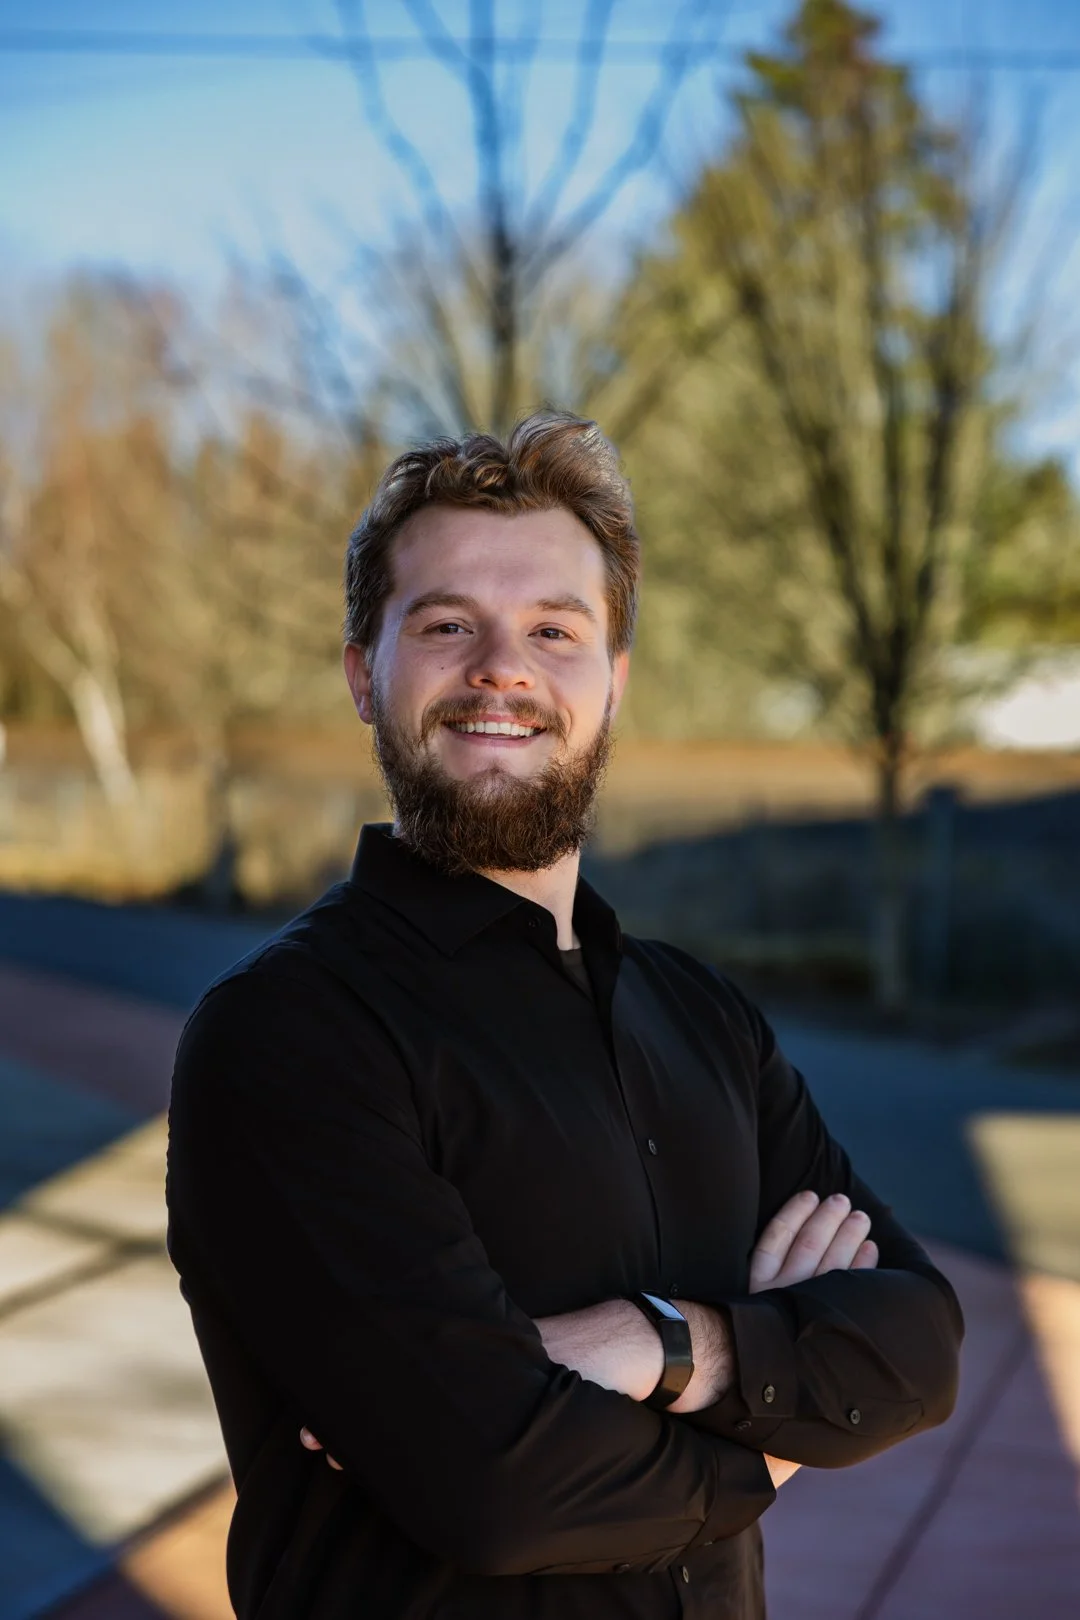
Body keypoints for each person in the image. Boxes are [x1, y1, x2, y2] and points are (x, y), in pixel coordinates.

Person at [166, 411, 963, 1620]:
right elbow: (496, 1488)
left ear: (613, 682)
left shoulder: (705, 1018)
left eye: (554, 628)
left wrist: (664, 1343)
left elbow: (919, 1342)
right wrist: (773, 1433)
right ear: (363, 673)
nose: (503, 668)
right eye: (447, 625)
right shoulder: (288, 1036)